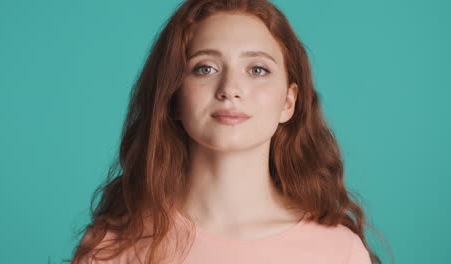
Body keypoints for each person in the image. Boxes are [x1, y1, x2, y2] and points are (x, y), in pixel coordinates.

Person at [71, 0, 385, 263]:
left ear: (288, 102)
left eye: (257, 70)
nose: (231, 89)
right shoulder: (112, 249)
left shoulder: (338, 252)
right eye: (205, 68)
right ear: (174, 97)